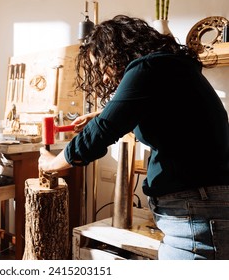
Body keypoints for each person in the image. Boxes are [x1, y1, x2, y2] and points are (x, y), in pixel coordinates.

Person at [38, 15, 229, 260]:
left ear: (115, 52)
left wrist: (52, 164)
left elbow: (102, 131)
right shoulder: (171, 68)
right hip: (198, 210)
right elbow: (157, 111)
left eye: (102, 66)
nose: (104, 78)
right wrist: (102, 112)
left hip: (194, 215)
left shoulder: (148, 68)